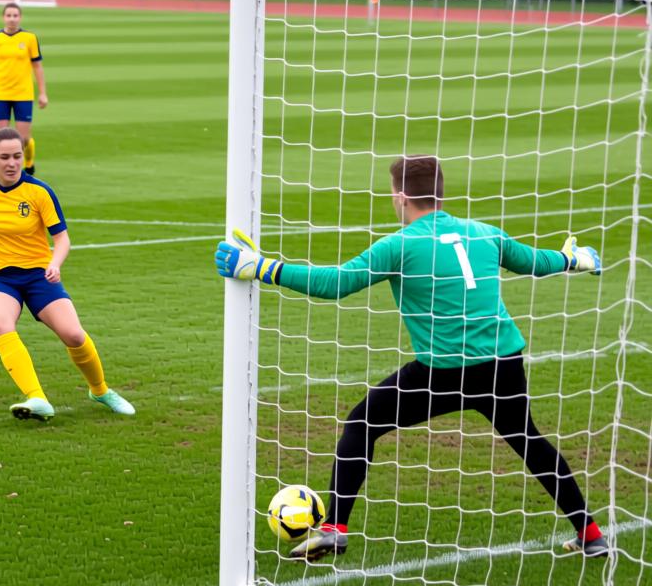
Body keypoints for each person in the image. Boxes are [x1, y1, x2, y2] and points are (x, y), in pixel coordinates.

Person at [215, 155, 608, 561]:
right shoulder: (483, 233)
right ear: (440, 192)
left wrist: (262, 268)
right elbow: (534, 263)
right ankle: (591, 534)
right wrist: (575, 259)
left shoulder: (400, 245)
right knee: (530, 443)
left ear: (402, 196)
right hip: (503, 363)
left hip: (444, 371)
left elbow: (336, 284)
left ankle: (334, 529)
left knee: (361, 423)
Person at [0, 128, 135, 421]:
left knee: (74, 334)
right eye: (5, 157)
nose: (12, 163)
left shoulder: (39, 191)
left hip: (39, 275)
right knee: (1, 324)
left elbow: (62, 238)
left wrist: (55, 263)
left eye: (17, 156)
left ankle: (100, 390)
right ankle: (36, 397)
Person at [0, 2, 47, 176]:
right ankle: (1, 171)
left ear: (20, 17)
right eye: (9, 15)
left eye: (15, 15)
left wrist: (42, 93)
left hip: (23, 93)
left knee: (24, 139)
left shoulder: (30, 38)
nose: (12, 19)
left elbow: (37, 66)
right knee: (0, 137)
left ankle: (28, 162)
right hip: (0, 93)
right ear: (3, 17)